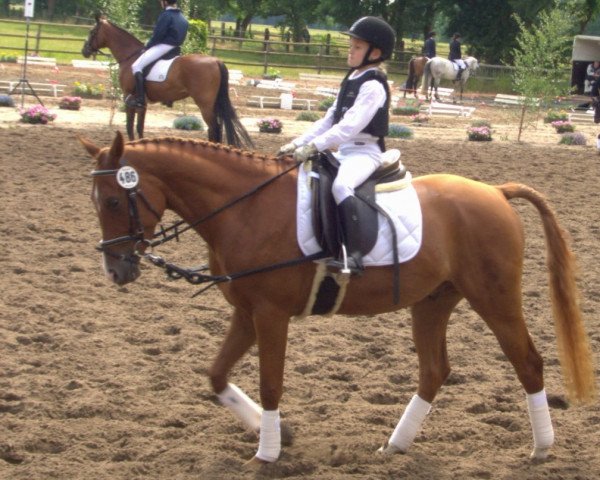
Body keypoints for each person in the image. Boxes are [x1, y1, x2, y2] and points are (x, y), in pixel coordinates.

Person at [278, 16, 395, 273]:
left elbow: (349, 126)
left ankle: (354, 255)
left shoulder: (373, 85)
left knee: (342, 186)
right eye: (351, 47)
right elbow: (329, 119)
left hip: (366, 153)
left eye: (357, 48)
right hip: (344, 152)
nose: (350, 52)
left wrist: (314, 147)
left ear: (375, 52)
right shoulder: (352, 78)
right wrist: (297, 142)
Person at [127, 0, 189, 108]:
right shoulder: (182, 18)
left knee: (136, 66)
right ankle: (168, 98)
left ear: (165, 2)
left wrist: (147, 46)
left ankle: (140, 99)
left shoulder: (166, 15)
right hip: (176, 49)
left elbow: (158, 36)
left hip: (163, 46)